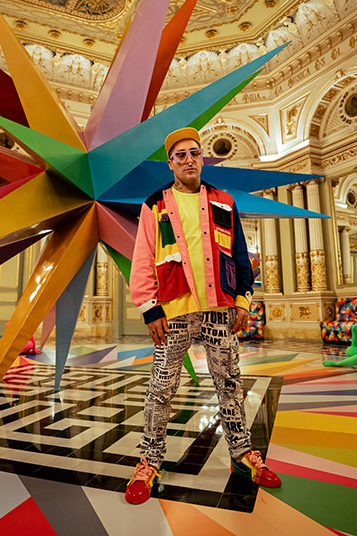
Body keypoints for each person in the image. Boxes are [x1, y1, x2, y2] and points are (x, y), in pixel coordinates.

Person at [125, 126, 281, 504]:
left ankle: (242, 455)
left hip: (219, 310)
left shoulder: (223, 200)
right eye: (181, 155)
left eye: (195, 153)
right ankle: (149, 461)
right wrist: (149, 309)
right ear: (171, 163)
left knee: (229, 385)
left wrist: (243, 299)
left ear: (202, 157)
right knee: (161, 389)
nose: (189, 160)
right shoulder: (155, 204)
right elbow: (144, 258)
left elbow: (241, 254)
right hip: (173, 312)